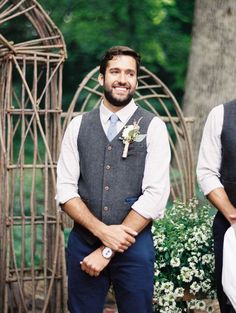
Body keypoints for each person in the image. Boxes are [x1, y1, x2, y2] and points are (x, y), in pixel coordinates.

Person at [56, 46, 170, 313]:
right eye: (115, 71)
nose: (122, 79)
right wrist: (102, 232)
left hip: (135, 247)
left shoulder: (153, 127)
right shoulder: (77, 126)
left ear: (136, 81)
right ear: (101, 78)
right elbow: (65, 191)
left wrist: (107, 249)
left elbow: (155, 195)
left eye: (130, 73)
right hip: (83, 243)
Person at [197, 100, 236, 313]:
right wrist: (231, 214)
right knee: (230, 301)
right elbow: (206, 172)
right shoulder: (221, 115)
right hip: (230, 227)